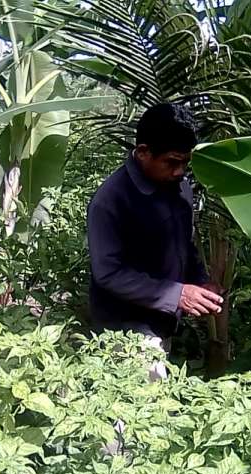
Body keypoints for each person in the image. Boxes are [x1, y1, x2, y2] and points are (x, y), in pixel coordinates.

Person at [87, 103, 224, 353]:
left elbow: (184, 244)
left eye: (185, 162)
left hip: (163, 323)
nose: (180, 171)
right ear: (142, 152)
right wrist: (178, 295)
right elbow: (108, 273)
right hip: (125, 331)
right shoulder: (111, 200)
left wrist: (200, 282)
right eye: (171, 162)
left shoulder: (180, 187)